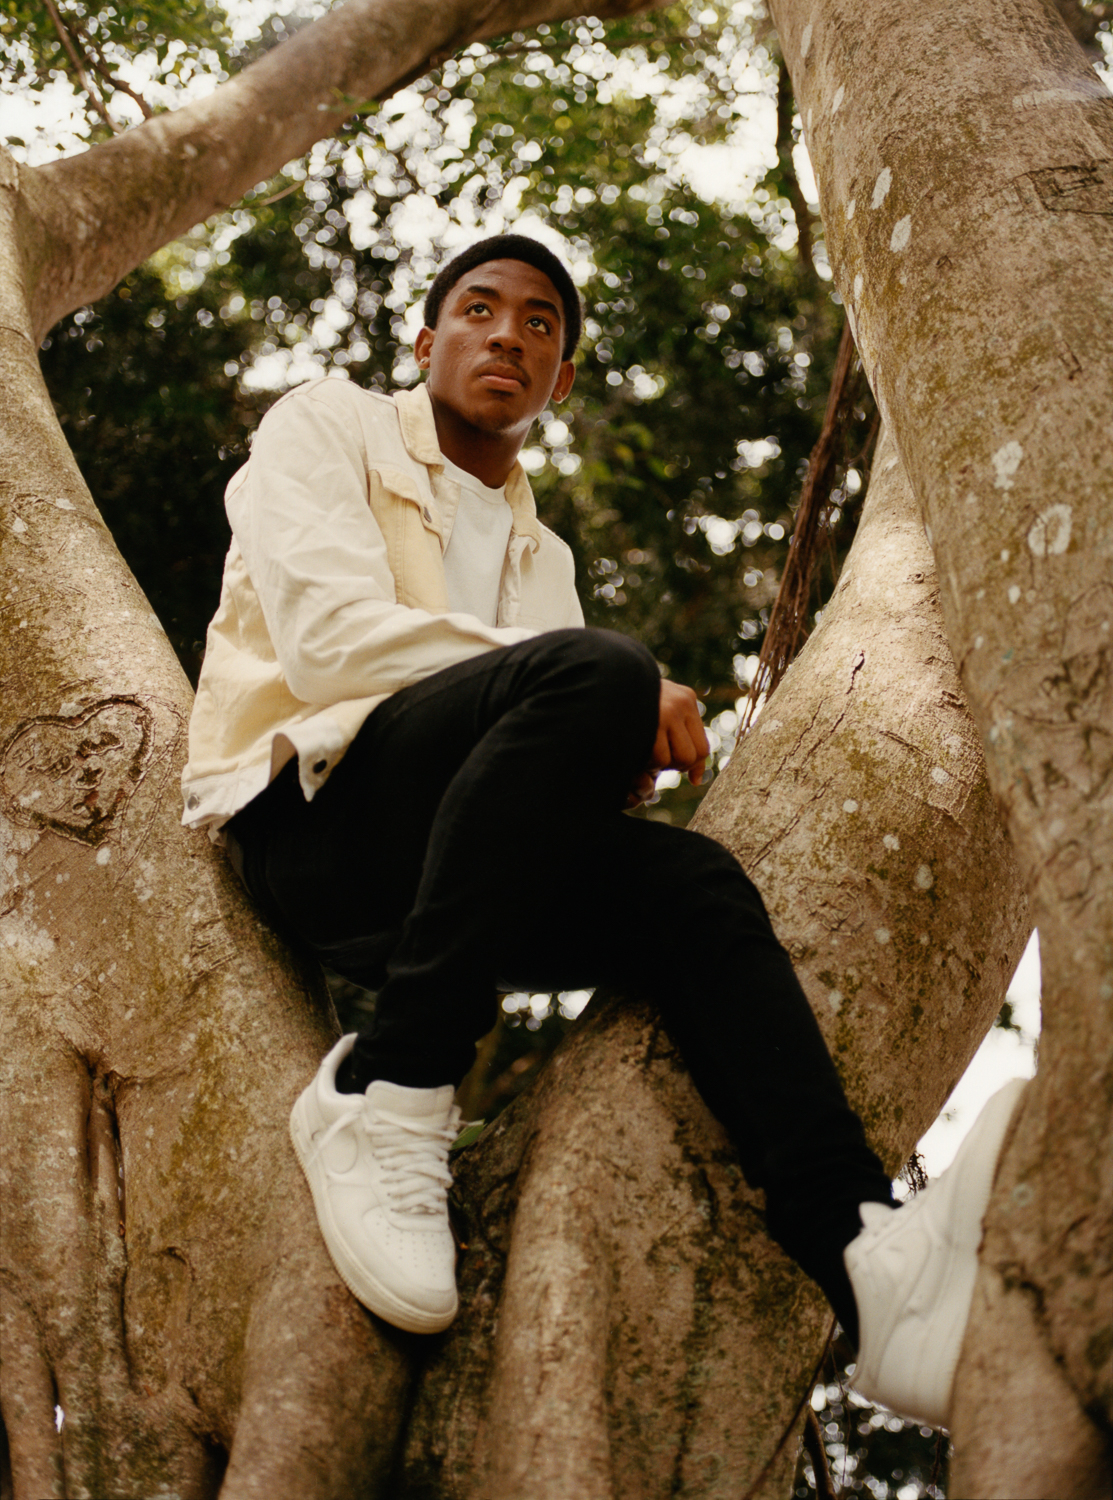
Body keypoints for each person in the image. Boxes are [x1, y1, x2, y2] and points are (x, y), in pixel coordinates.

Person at [181, 233, 1022, 1430]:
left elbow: (532, 744)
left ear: (559, 380)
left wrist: (603, 748)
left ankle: (869, 1262)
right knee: (601, 669)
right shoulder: (327, 426)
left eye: (540, 327)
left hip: (451, 877)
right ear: (426, 344)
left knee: (694, 882)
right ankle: (393, 1086)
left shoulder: (545, 556)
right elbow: (329, 644)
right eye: (479, 310)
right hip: (317, 831)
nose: (507, 336)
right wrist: (597, 688)